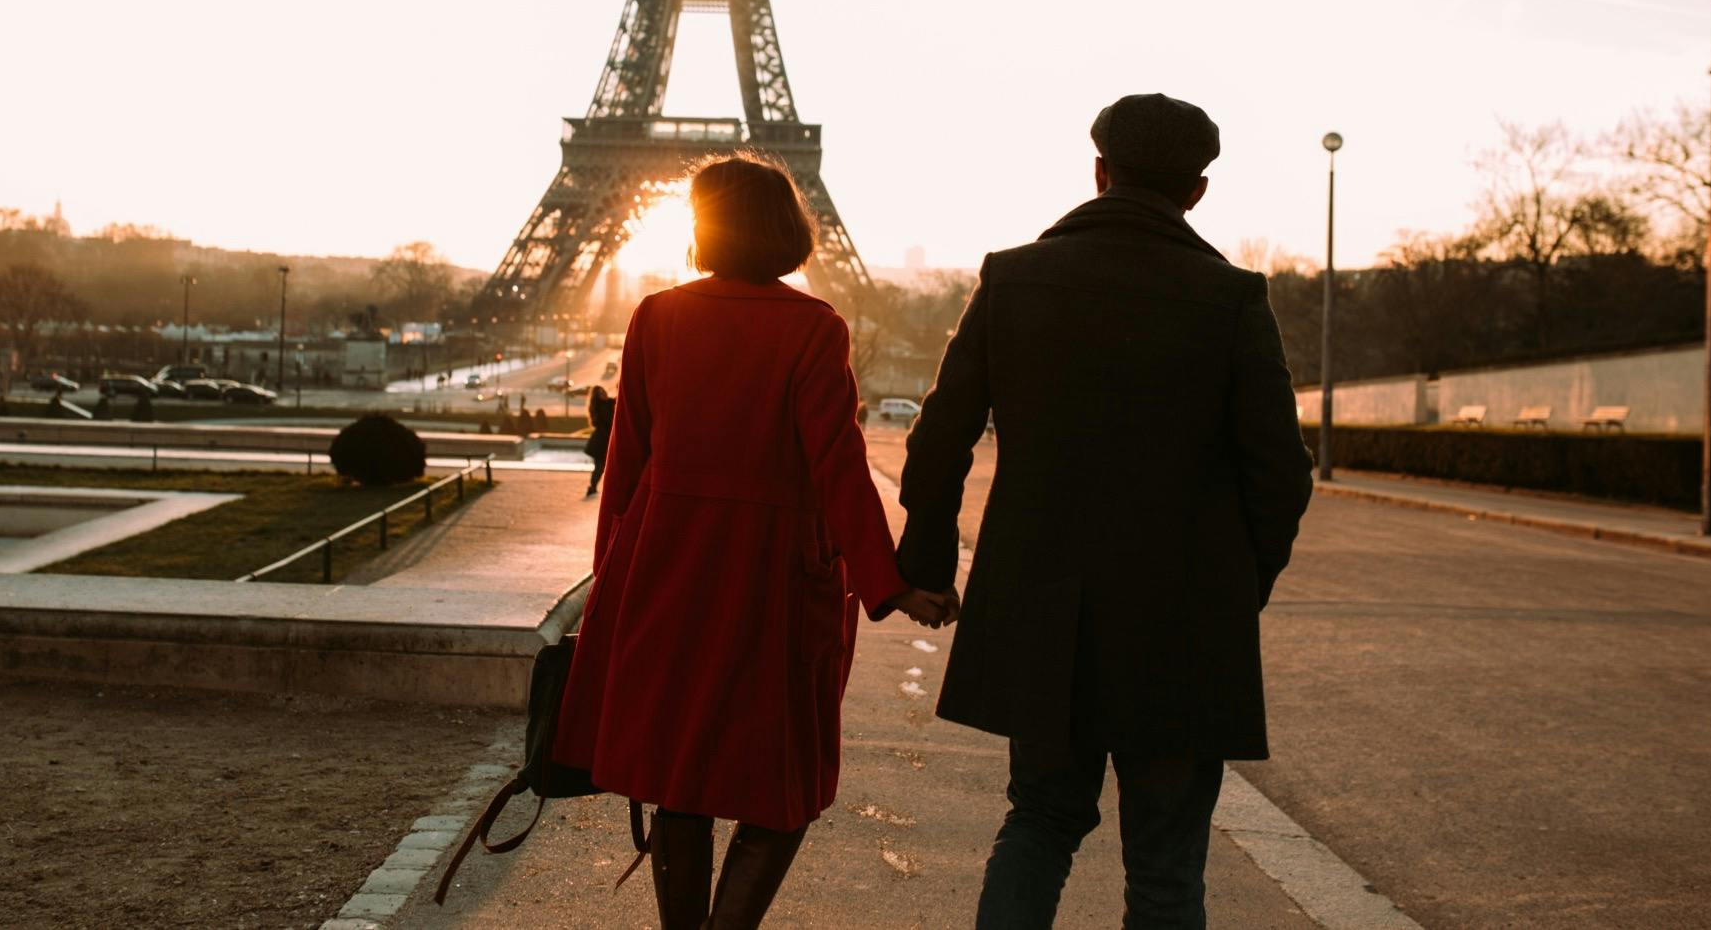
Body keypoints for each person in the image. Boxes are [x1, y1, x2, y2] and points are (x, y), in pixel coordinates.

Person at [896, 94, 1314, 930]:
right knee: (1165, 865)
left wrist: (926, 567)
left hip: (1044, 611)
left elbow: (940, 438)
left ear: (1099, 173)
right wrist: (1241, 584)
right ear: (1197, 191)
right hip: (1186, 619)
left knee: (1040, 823)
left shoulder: (1012, 279)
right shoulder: (1232, 297)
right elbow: (1281, 473)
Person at [555, 154, 954, 930]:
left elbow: (626, 465)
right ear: (787, 228)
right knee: (783, 788)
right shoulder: (813, 329)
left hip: (666, 570)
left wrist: (615, 583)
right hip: (772, 578)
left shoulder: (657, 317)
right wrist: (889, 582)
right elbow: (839, 467)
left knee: (680, 777)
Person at [583, 384, 614, 497]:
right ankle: (593, 487)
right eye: (600, 393)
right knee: (600, 467)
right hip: (602, 442)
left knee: (601, 467)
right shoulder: (602, 406)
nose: (603, 394)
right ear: (596, 396)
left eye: (603, 391)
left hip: (602, 440)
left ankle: (593, 487)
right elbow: (608, 420)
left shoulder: (604, 405)